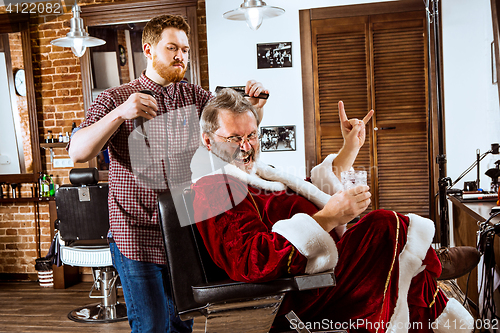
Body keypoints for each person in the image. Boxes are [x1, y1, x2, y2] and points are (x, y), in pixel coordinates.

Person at [190, 88, 474, 333]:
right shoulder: (213, 189)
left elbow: (309, 191)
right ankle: (434, 262)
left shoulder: (261, 173)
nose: (246, 146)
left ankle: (429, 263)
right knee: (384, 226)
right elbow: (252, 260)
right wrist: (328, 218)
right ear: (208, 140)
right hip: (297, 292)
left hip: (324, 272)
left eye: (252, 135)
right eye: (233, 138)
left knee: (399, 257)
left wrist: (350, 148)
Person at [68, 15, 268, 333]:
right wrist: (121, 114)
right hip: (135, 235)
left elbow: (233, 140)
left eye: (185, 50)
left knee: (180, 326)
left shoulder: (196, 97)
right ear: (148, 49)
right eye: (172, 47)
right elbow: (78, 152)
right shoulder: (115, 98)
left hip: (182, 234)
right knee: (151, 327)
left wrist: (255, 109)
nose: (180, 56)